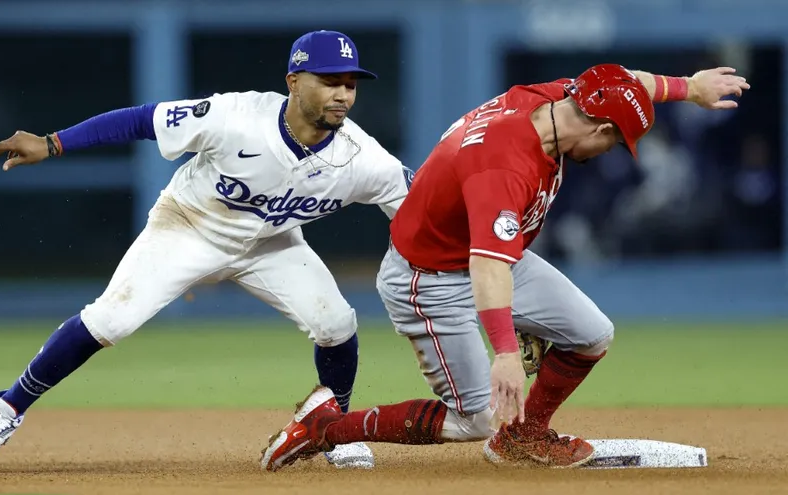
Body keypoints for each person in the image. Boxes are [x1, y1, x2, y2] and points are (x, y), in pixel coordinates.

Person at [0, 29, 413, 474]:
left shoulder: (362, 158)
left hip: (269, 244)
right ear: (293, 82)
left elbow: (419, 206)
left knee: (336, 323)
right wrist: (52, 143)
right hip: (189, 227)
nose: (342, 94)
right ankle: (5, 407)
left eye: (350, 84)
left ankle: (333, 428)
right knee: (110, 321)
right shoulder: (235, 117)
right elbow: (141, 120)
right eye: (330, 81)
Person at [260, 64, 749, 471]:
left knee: (591, 334)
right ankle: (326, 427)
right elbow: (486, 266)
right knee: (473, 419)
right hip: (429, 277)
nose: (610, 152)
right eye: (616, 143)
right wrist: (507, 352)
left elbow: (624, 81)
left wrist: (689, 88)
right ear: (602, 130)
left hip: (485, 253)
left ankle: (524, 437)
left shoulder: (558, 98)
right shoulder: (506, 164)